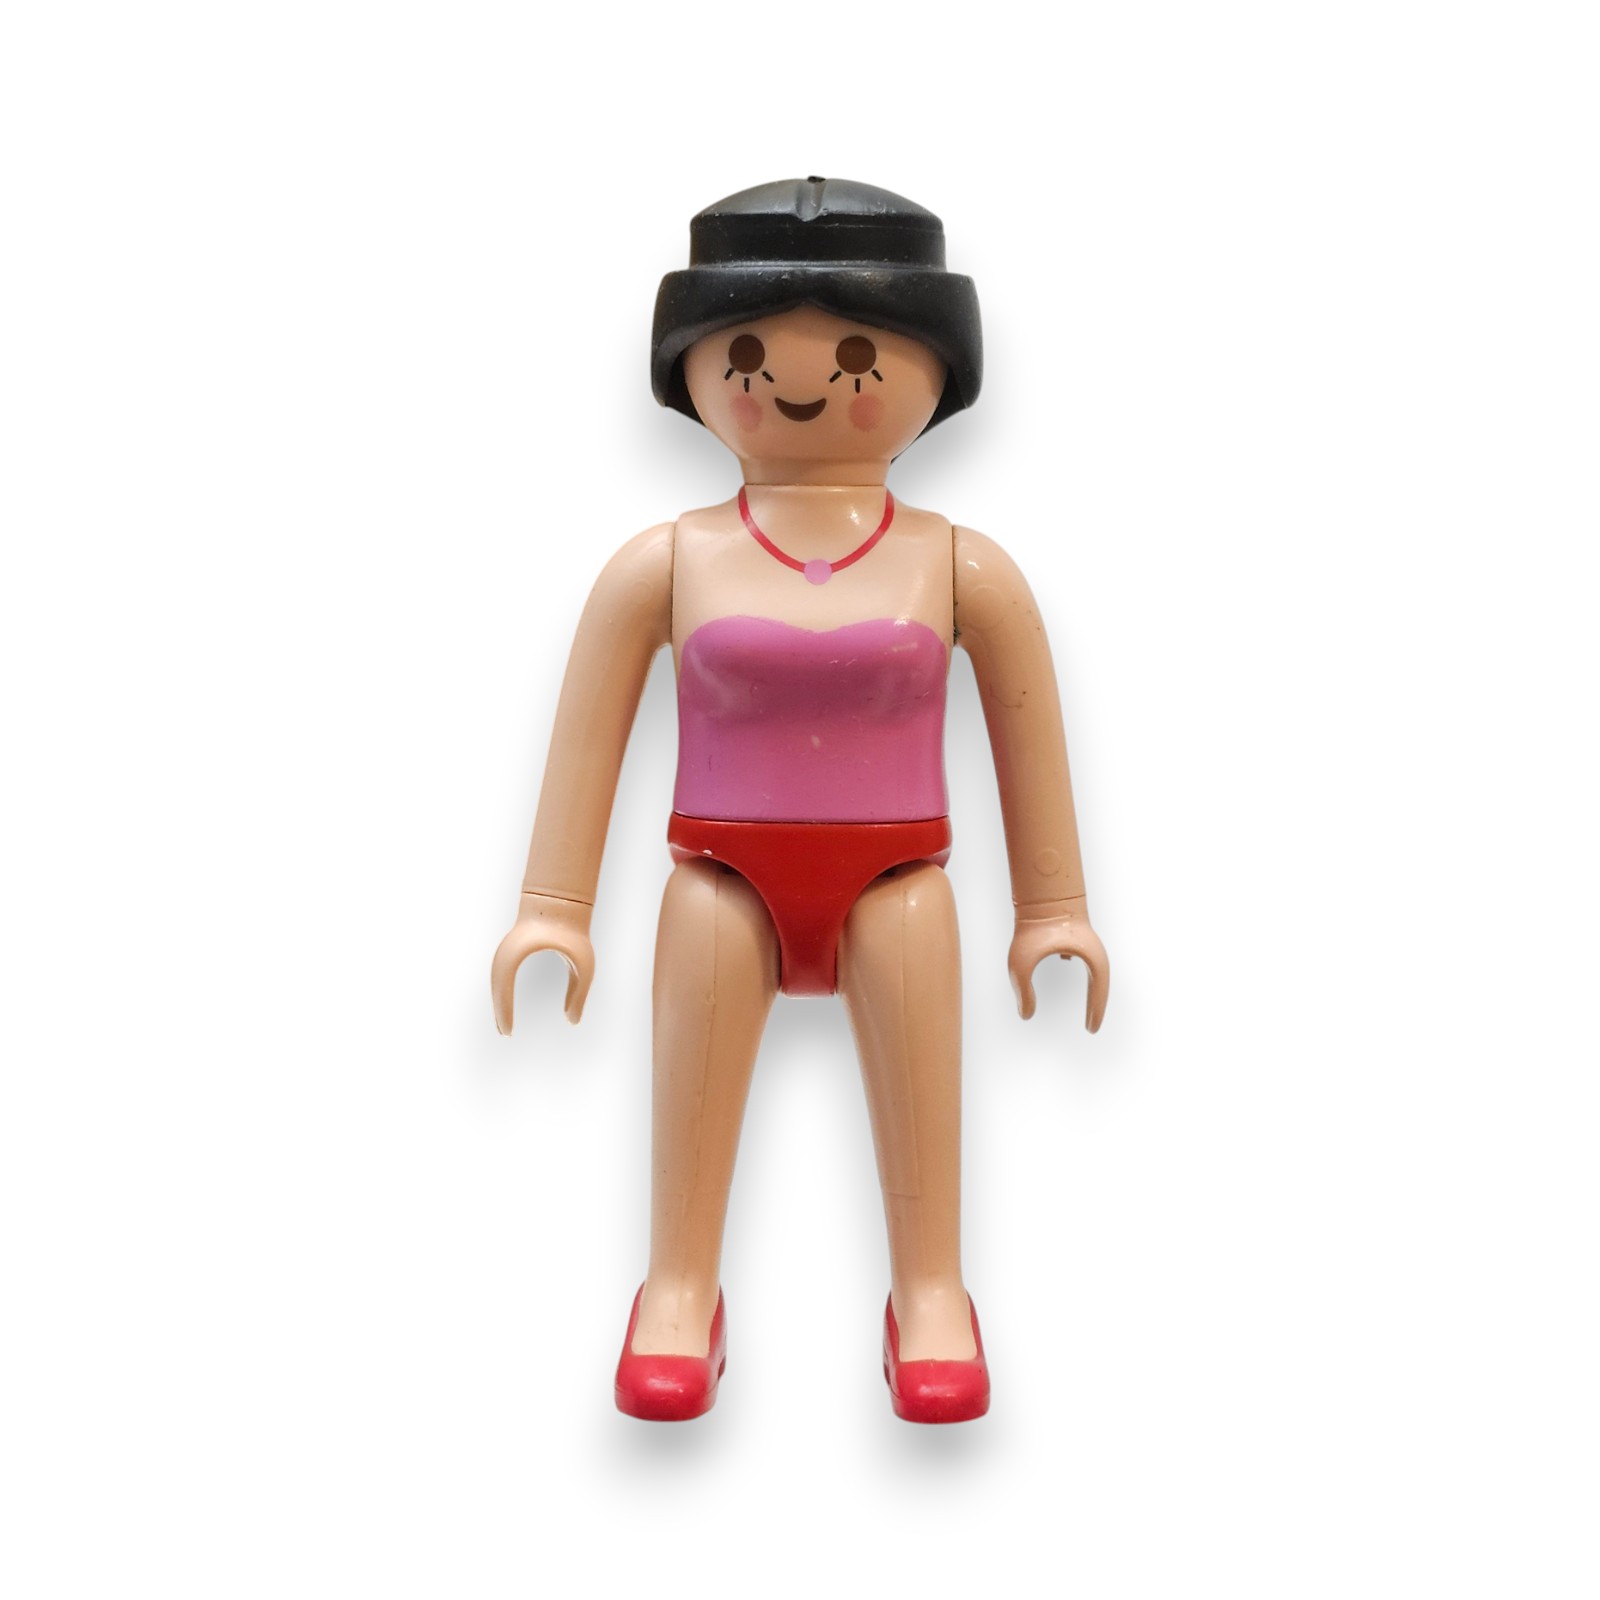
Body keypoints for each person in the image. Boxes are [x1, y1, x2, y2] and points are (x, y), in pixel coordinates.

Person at [491, 177, 1109, 1423]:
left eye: (858, 353)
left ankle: (930, 1294)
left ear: (937, 368)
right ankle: (678, 1290)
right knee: (691, 1100)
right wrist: (553, 907)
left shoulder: (957, 564)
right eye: (749, 352)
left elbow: (1028, 737)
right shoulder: (667, 561)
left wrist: (1054, 910)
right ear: (693, 367)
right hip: (719, 876)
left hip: (898, 881)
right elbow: (586, 735)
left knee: (924, 1111)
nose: (799, 380)